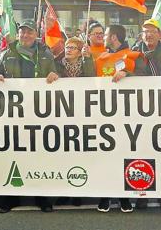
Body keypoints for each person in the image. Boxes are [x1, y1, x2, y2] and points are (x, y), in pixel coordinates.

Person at [0, 19, 58, 214]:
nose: (25, 36)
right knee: (12, 154)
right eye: (22, 33)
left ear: (35, 35)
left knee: (39, 154)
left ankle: (42, 198)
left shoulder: (45, 54)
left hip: (38, 112)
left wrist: (54, 75)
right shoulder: (6, 54)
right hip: (13, 112)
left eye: (29, 33)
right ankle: (9, 198)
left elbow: (55, 74)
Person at [94, 24, 145, 213]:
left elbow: (146, 77)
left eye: (106, 34)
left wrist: (128, 74)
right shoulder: (99, 57)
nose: (104, 37)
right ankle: (105, 195)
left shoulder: (133, 56)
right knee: (105, 154)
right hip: (103, 112)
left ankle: (125, 196)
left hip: (127, 113)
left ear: (114, 37)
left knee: (125, 154)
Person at [131, 19, 161, 210]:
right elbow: (126, 73)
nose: (148, 35)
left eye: (152, 31)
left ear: (160, 35)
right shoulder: (133, 55)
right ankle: (143, 192)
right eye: (145, 31)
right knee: (141, 151)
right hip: (139, 109)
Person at [52, 36, 94, 207]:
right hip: (62, 113)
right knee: (64, 153)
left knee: (80, 153)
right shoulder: (57, 63)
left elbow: (92, 78)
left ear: (80, 51)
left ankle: (78, 191)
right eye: (67, 47)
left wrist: (89, 59)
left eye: (73, 48)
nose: (68, 50)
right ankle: (64, 191)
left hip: (82, 113)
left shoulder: (86, 63)